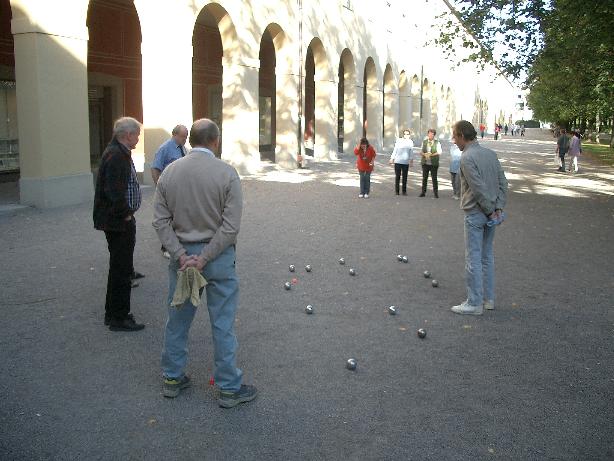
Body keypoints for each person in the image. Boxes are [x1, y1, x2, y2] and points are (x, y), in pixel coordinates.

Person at [153, 118, 257, 408]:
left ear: (190, 140)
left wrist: (182, 255)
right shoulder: (227, 174)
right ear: (216, 141)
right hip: (218, 258)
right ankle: (228, 388)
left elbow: (160, 221)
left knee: (177, 320)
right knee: (222, 323)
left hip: (184, 260)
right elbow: (230, 226)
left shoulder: (170, 173)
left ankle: (172, 377)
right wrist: (206, 256)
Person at [451, 120, 508, 316]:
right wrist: (498, 207)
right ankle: (488, 299)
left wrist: (491, 209)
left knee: (473, 258)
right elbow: (503, 183)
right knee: (486, 257)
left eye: (455, 136)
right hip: (491, 212)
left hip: (477, 213)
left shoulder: (467, 157)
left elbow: (477, 188)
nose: (454, 140)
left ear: (461, 135)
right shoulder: (490, 154)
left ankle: (474, 303)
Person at [93, 116, 145, 331]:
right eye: (137, 135)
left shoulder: (118, 151)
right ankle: (119, 318)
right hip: (118, 222)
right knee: (122, 270)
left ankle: (112, 313)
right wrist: (125, 214)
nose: (138, 139)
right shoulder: (117, 155)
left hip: (116, 220)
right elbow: (114, 191)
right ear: (128, 134)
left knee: (118, 268)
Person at [151, 124, 188, 258]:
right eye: (183, 136)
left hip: (180, 189)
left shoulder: (182, 148)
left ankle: (176, 244)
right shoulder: (165, 148)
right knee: (168, 219)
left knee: (178, 217)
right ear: (175, 135)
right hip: (169, 189)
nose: (185, 139)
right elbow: (155, 168)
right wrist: (159, 187)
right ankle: (166, 247)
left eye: (186, 136)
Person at [389, 129, 414, 195]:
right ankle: (397, 191)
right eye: (405, 134)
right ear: (403, 135)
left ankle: (404, 191)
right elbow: (395, 149)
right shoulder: (399, 141)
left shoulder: (410, 142)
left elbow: (411, 152)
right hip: (398, 161)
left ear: (409, 135)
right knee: (397, 176)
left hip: (405, 162)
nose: (406, 135)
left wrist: (411, 161)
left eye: (408, 134)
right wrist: (392, 158)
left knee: (405, 177)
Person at [419, 129, 442, 198]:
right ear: (427, 134)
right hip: (425, 163)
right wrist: (424, 154)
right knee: (424, 178)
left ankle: (436, 193)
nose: (430, 135)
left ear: (434, 135)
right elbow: (421, 151)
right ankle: (423, 192)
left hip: (433, 163)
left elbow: (439, 152)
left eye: (432, 134)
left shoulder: (437, 142)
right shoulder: (424, 142)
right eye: (429, 134)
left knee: (434, 178)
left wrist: (430, 155)